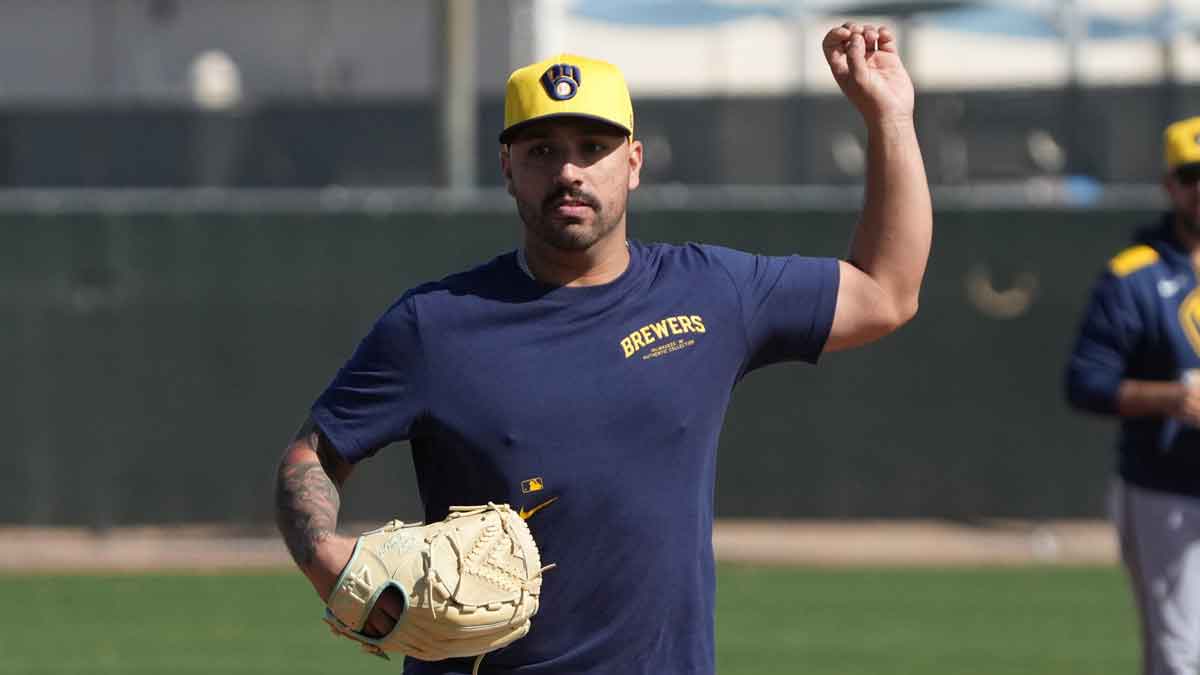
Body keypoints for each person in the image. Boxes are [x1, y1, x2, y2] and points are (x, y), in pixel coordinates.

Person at [274, 22, 931, 675]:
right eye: (541, 150)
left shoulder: (710, 293)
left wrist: (891, 117)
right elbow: (316, 452)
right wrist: (322, 557)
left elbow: (886, 291)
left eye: (593, 146)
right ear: (507, 168)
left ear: (634, 163)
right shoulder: (434, 326)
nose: (568, 171)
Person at [1065, 115, 1200, 675]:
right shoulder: (1134, 277)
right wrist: (1172, 398)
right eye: (1194, 175)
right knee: (1181, 654)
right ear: (1170, 186)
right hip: (1167, 490)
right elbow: (1085, 382)